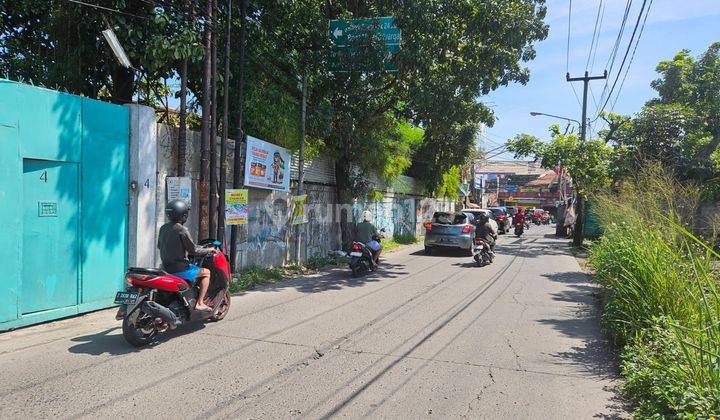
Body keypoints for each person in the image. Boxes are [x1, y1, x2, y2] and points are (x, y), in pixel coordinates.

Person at [157, 200, 215, 311]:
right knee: (207, 272)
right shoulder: (182, 230)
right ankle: (200, 302)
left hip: (165, 268)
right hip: (180, 269)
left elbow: (160, 246)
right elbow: (193, 250)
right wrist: (209, 250)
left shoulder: (163, 228)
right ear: (184, 215)